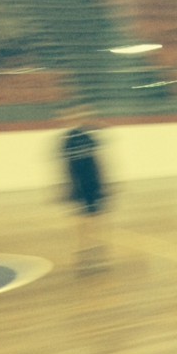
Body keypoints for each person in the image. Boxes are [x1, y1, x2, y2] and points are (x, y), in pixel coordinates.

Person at [60, 104, 108, 271]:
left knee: (94, 217)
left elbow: (98, 160)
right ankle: (83, 250)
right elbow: (67, 165)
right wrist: (67, 185)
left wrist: (103, 182)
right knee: (82, 219)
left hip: (92, 183)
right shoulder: (68, 139)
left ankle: (95, 250)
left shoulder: (89, 137)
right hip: (80, 184)